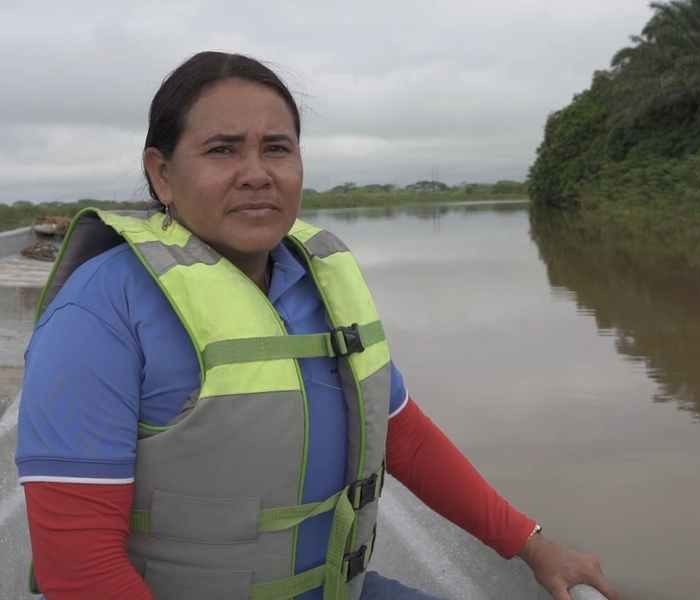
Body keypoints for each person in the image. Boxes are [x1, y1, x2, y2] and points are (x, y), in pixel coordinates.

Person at [15, 51, 618, 600]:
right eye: (223, 150)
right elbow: (80, 570)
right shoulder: (99, 314)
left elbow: (402, 436)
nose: (257, 173)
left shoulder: (319, 283)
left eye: (276, 148)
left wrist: (533, 545)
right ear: (162, 174)